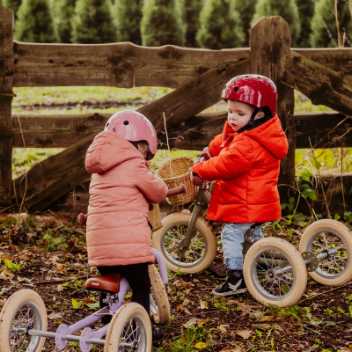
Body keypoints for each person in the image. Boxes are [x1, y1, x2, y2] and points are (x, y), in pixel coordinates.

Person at [192, 74, 288, 296]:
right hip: (258, 202)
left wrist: (199, 170)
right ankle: (261, 263)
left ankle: (236, 278)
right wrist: (210, 150)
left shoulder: (249, 143)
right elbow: (225, 140)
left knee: (231, 234)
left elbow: (226, 164)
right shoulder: (257, 130)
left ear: (260, 113)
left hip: (245, 204)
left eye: (240, 113)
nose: (232, 118)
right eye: (230, 111)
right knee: (252, 236)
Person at [84, 110, 168, 313]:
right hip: (129, 248)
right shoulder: (134, 164)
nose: (145, 159)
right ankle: (144, 326)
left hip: (99, 246)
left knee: (109, 284)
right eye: (146, 154)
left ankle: (107, 321)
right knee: (141, 287)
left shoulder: (98, 170)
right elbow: (158, 192)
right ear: (140, 145)